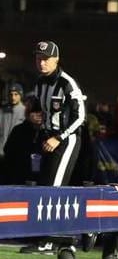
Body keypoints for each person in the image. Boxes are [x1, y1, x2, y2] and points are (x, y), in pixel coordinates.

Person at [31, 41, 86, 188]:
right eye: (38, 59)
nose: (41, 63)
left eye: (46, 59)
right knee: (41, 184)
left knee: (54, 187)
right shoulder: (39, 83)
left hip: (65, 140)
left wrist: (58, 138)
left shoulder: (67, 83)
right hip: (46, 138)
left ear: (56, 59)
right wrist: (34, 117)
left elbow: (80, 117)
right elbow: (37, 109)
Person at [1, 98, 42, 186]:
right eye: (34, 112)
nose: (38, 115)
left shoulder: (45, 133)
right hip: (17, 179)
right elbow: (8, 152)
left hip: (38, 179)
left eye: (40, 112)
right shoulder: (19, 130)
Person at [0, 82, 25, 160]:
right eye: (11, 94)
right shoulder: (2, 111)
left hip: (16, 154)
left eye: (16, 94)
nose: (13, 97)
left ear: (21, 95)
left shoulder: (26, 112)